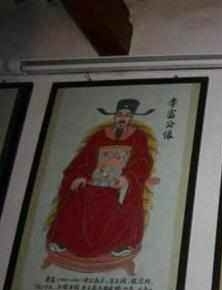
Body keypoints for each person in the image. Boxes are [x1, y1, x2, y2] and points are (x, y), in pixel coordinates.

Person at [47, 99, 155, 258]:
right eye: (120, 114)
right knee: (75, 195)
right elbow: (84, 158)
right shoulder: (99, 136)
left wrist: (127, 178)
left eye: (127, 115)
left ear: (131, 118)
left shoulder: (138, 136)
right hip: (93, 181)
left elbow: (142, 160)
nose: (123, 118)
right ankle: (63, 239)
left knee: (128, 200)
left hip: (120, 183)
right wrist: (80, 176)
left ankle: (122, 243)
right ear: (115, 116)